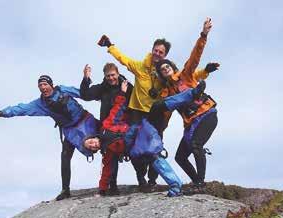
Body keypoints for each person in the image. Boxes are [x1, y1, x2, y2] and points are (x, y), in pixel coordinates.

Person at [97, 34, 210, 188]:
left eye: (161, 52)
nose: (157, 53)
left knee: (156, 146)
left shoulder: (164, 73)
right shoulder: (140, 67)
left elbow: (187, 75)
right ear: (152, 50)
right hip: (137, 113)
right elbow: (123, 59)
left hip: (156, 116)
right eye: (155, 50)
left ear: (165, 55)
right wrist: (110, 46)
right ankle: (141, 179)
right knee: (134, 146)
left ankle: (152, 180)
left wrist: (204, 73)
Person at [0, 75, 99, 200]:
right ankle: (65, 190)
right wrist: (0, 113)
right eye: (40, 85)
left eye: (45, 84)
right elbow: (21, 109)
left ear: (51, 85)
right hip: (70, 130)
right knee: (65, 156)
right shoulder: (40, 104)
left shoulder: (63, 90)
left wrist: (98, 95)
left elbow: (82, 93)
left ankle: (110, 183)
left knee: (106, 141)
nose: (43, 87)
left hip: (86, 121)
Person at [83, 79, 206, 197]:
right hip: (137, 146)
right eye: (91, 147)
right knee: (154, 157)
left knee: (157, 106)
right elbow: (106, 171)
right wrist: (102, 190)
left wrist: (122, 93)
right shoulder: (107, 152)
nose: (93, 144)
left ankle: (192, 93)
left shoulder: (105, 127)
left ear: (92, 137)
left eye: (90, 142)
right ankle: (175, 186)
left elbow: (117, 110)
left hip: (139, 129)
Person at [152, 18, 219, 194]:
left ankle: (200, 184)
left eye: (167, 66)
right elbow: (164, 116)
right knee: (180, 157)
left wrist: (203, 35)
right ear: (161, 75)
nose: (165, 69)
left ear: (172, 67)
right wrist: (157, 134)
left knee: (196, 144)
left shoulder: (186, 75)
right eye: (162, 69)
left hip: (207, 114)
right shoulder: (166, 93)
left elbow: (195, 56)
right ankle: (196, 181)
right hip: (190, 124)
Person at [80, 63, 133, 195]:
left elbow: (133, 103)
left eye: (113, 75)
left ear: (117, 73)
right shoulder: (103, 88)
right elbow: (85, 95)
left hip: (124, 125)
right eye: (108, 76)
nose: (111, 78)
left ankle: (144, 181)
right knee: (110, 157)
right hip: (107, 127)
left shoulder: (127, 86)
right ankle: (112, 185)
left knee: (135, 153)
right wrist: (86, 79)